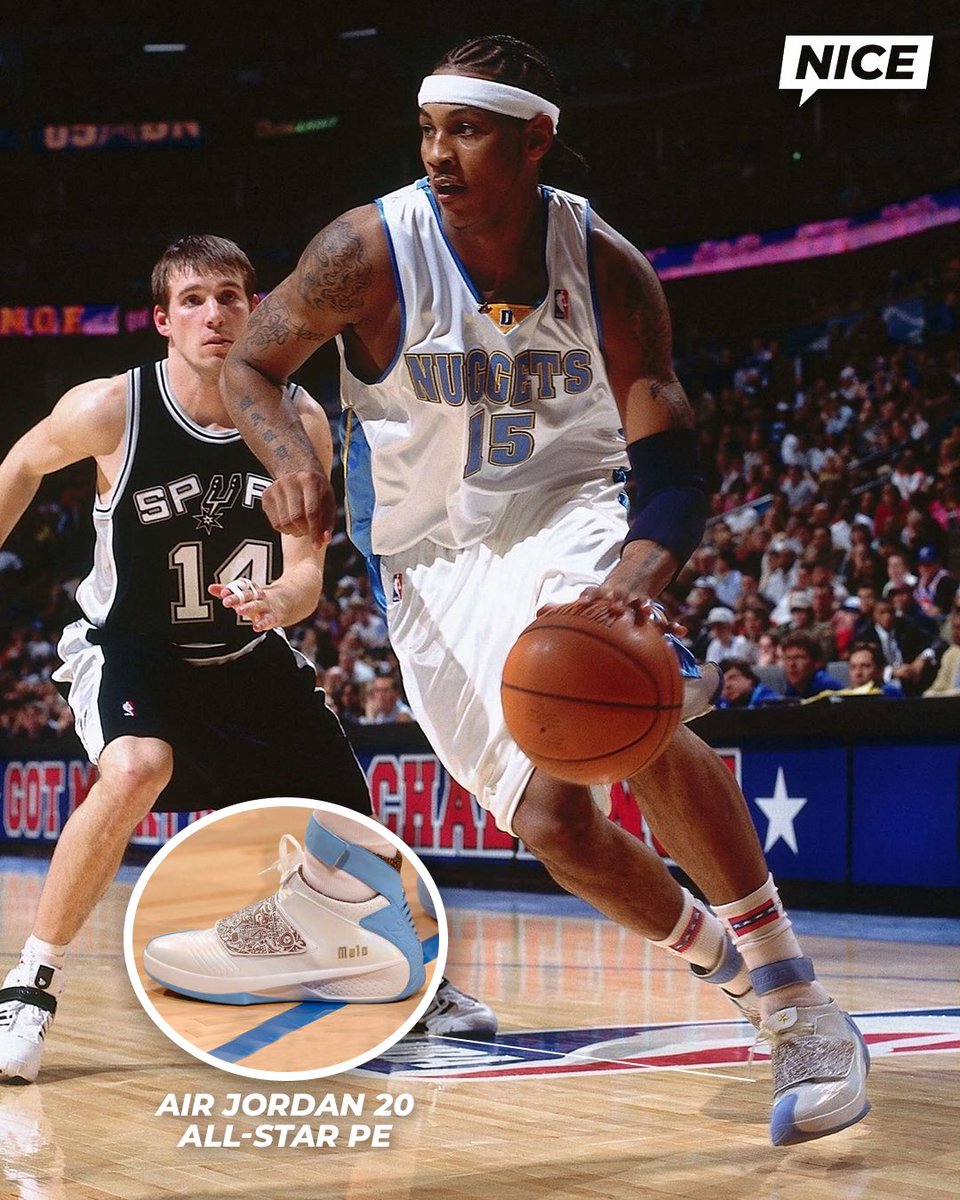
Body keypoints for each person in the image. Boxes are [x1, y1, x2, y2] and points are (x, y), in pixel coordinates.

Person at [220, 35, 868, 1146]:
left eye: (466, 131)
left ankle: (797, 997)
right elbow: (249, 366)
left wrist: (636, 577)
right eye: (428, 131)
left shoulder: (603, 264)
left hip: (566, 505)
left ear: (536, 140)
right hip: (427, 555)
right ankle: (740, 980)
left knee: (622, 699)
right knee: (555, 822)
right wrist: (289, 461)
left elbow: (671, 463)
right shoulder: (364, 250)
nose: (438, 154)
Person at [0, 235, 490, 1083]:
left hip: (246, 647)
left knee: (346, 813)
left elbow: (306, 570)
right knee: (136, 767)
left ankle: (407, 977)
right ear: (163, 320)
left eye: (230, 296)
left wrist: (283, 602)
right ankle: (29, 987)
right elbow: (21, 463)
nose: (214, 314)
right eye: (192, 300)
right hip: (134, 648)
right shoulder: (113, 408)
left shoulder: (298, 421)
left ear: (256, 309)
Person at [780, 631, 844, 700]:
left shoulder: (828, 688)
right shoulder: (792, 687)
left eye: (799, 657)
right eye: (787, 658)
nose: (791, 664)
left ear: (817, 662)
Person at [717, 658, 782, 708]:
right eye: (722, 682)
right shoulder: (720, 705)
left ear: (750, 679)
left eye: (733, 677)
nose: (727, 685)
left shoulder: (772, 704)